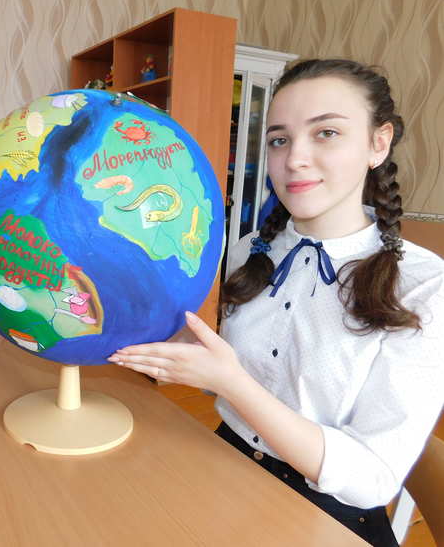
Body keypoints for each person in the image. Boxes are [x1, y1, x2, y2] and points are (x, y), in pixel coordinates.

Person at [108, 59, 443, 547]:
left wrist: (231, 381)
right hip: (222, 465)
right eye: (279, 140)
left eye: (326, 133)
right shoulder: (250, 250)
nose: (294, 159)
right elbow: (237, 376)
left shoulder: (422, 285)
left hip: (326, 516)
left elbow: (371, 479)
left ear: (378, 143)